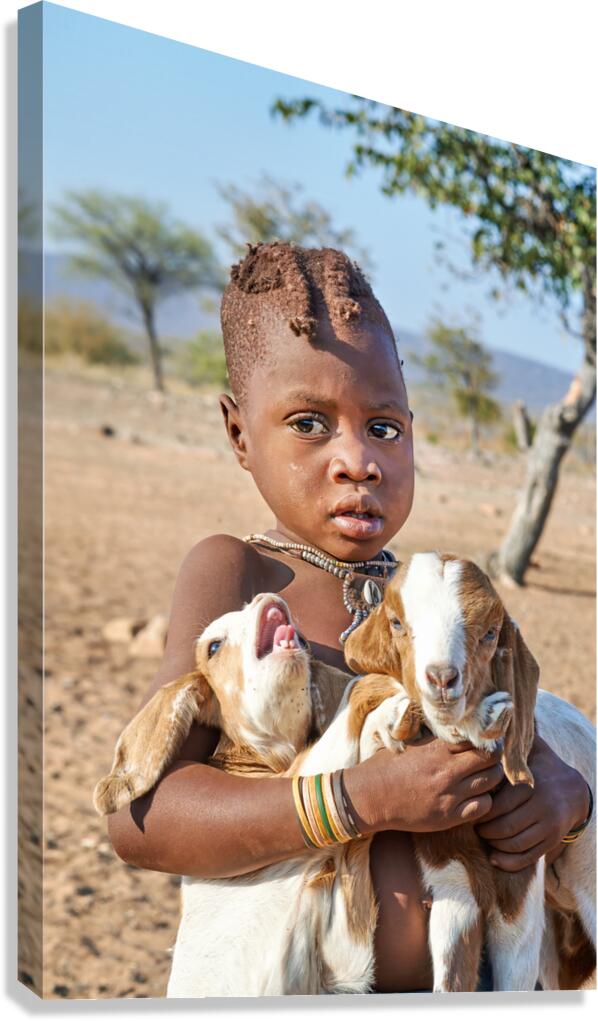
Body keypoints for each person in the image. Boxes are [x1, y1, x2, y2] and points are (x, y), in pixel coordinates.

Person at [106, 242, 591, 993]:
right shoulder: (238, 574)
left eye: (385, 428)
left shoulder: (426, 601)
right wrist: (362, 797)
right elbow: (146, 818)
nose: (358, 460)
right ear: (239, 433)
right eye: (309, 423)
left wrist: (567, 799)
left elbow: (516, 729)